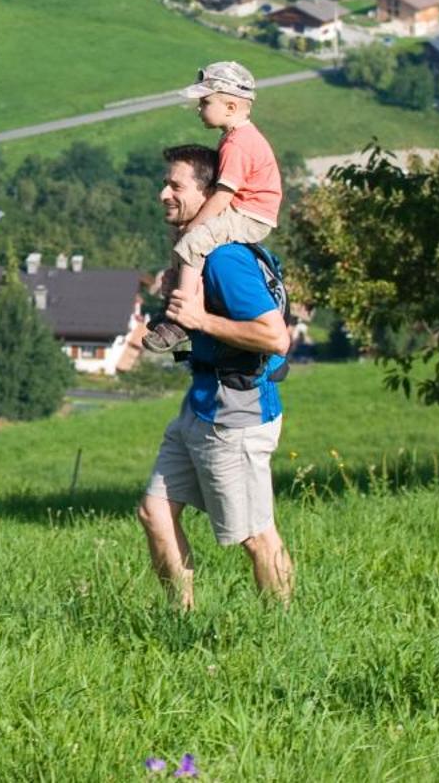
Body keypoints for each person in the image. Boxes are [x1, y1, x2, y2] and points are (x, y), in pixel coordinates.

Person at [137, 145, 294, 608]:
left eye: (176, 185)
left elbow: (274, 336)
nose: (164, 192)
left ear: (210, 194)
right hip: (202, 404)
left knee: (255, 536)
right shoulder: (201, 253)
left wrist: (200, 319)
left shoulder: (225, 259)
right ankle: (180, 617)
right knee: (155, 511)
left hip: (237, 413)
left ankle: (280, 629)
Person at [144, 61, 283, 355]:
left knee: (193, 241)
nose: (199, 108)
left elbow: (221, 196)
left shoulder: (238, 144)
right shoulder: (234, 138)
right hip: (246, 210)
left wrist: (195, 227)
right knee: (184, 238)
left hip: (250, 214)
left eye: (205, 102)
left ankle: (181, 319)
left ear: (231, 106)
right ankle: (176, 302)